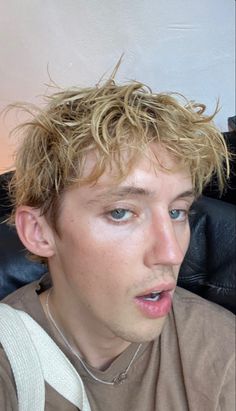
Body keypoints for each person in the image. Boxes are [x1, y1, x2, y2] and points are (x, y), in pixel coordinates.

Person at [0, 76, 235, 411]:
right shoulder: (8, 363)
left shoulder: (221, 353)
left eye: (177, 212)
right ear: (39, 232)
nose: (171, 253)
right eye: (122, 212)